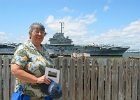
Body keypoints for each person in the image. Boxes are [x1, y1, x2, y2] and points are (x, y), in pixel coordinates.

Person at [11, 22, 55, 100]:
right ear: (30, 33)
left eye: (42, 32)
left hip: (45, 95)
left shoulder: (45, 51)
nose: (40, 34)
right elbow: (15, 70)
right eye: (37, 31)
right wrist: (37, 80)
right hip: (28, 95)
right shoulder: (23, 49)